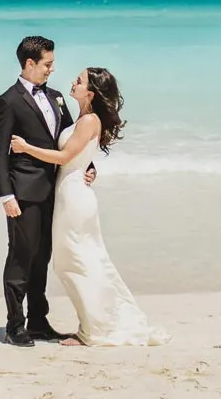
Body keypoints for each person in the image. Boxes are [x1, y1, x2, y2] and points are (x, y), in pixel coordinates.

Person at [10, 66, 169, 347]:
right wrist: (89, 166)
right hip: (68, 193)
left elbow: (64, 157)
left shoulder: (89, 121)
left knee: (78, 260)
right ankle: (94, 323)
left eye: (80, 80)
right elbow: (78, 155)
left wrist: (26, 148)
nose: (74, 82)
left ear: (91, 93)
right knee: (75, 259)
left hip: (74, 198)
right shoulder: (83, 119)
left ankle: (92, 330)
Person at [0, 35, 94, 347]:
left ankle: (38, 322)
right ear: (30, 63)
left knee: (42, 257)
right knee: (21, 257)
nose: (51, 69)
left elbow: (71, 140)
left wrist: (88, 166)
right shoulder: (8, 101)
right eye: (47, 64)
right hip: (23, 193)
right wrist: (6, 195)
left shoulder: (56, 97)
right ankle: (14, 326)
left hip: (56, 191)